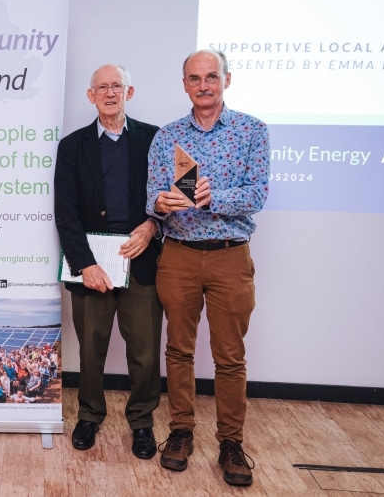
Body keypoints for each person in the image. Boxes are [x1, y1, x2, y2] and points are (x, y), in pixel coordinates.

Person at [147, 49, 269, 486]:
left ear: (226, 80)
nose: (204, 86)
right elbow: (152, 197)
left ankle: (231, 443)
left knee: (229, 357)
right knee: (178, 350)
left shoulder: (252, 131)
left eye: (211, 77)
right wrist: (160, 202)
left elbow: (257, 195)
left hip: (230, 255)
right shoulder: (167, 136)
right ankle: (180, 432)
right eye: (195, 79)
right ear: (184, 85)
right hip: (177, 254)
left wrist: (212, 197)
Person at [53, 64, 164, 459]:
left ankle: (142, 422)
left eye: (117, 85)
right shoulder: (72, 146)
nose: (110, 92)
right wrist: (86, 265)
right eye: (102, 87)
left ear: (129, 93)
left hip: (142, 260)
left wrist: (152, 226)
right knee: (91, 348)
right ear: (91, 95)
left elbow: (175, 196)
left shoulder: (156, 140)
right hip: (92, 265)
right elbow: (65, 214)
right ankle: (89, 414)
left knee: (146, 351)